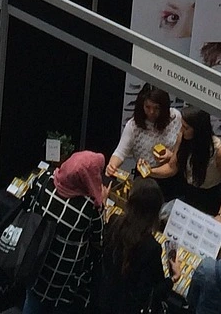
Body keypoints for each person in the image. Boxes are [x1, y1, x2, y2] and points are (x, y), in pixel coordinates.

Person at [23, 151, 106, 314]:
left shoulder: (45, 179)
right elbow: (99, 240)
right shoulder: (89, 208)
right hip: (64, 277)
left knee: (32, 302)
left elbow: (28, 201)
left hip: (35, 262)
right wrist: (101, 203)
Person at [94, 177, 169, 314]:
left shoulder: (114, 222)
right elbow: (155, 289)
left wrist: (103, 203)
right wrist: (173, 279)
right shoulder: (151, 247)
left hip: (103, 298)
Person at [107, 83, 182, 180]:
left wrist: (171, 155)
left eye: (156, 108)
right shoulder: (133, 125)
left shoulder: (175, 117)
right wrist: (112, 165)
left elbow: (184, 151)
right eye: (147, 107)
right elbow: (120, 152)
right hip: (145, 176)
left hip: (172, 173)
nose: (151, 112)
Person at [174, 108, 221, 218]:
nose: (181, 130)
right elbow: (175, 164)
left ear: (198, 129)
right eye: (182, 126)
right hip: (187, 191)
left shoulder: (220, 152)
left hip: (209, 198)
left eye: (186, 128)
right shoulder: (184, 138)